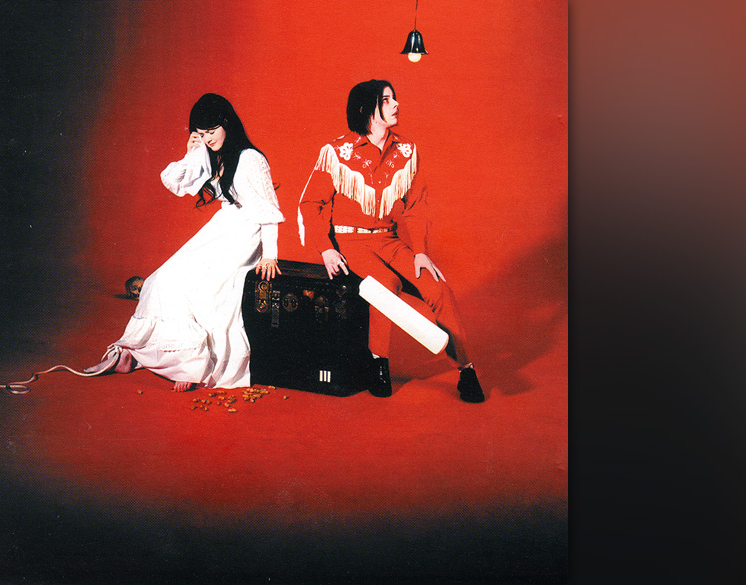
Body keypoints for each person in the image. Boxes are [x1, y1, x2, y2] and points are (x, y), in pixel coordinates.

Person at [297, 80, 485, 402]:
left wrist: (421, 252)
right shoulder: (337, 152)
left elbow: (416, 206)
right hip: (349, 242)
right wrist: (326, 248)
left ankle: (465, 368)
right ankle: (378, 362)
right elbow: (310, 203)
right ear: (365, 109)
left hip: (390, 240)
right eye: (386, 100)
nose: (396, 104)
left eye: (394, 98)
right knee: (385, 285)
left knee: (437, 288)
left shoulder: (407, 151)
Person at [86, 93, 284, 391]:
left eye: (212, 131)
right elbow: (176, 180)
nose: (208, 138)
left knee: (202, 289)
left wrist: (270, 254)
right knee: (163, 280)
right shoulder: (213, 153)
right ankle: (135, 351)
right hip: (223, 228)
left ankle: (191, 365)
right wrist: (192, 151)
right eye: (201, 133)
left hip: (244, 235)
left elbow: (268, 210)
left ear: (227, 123)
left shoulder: (250, 158)